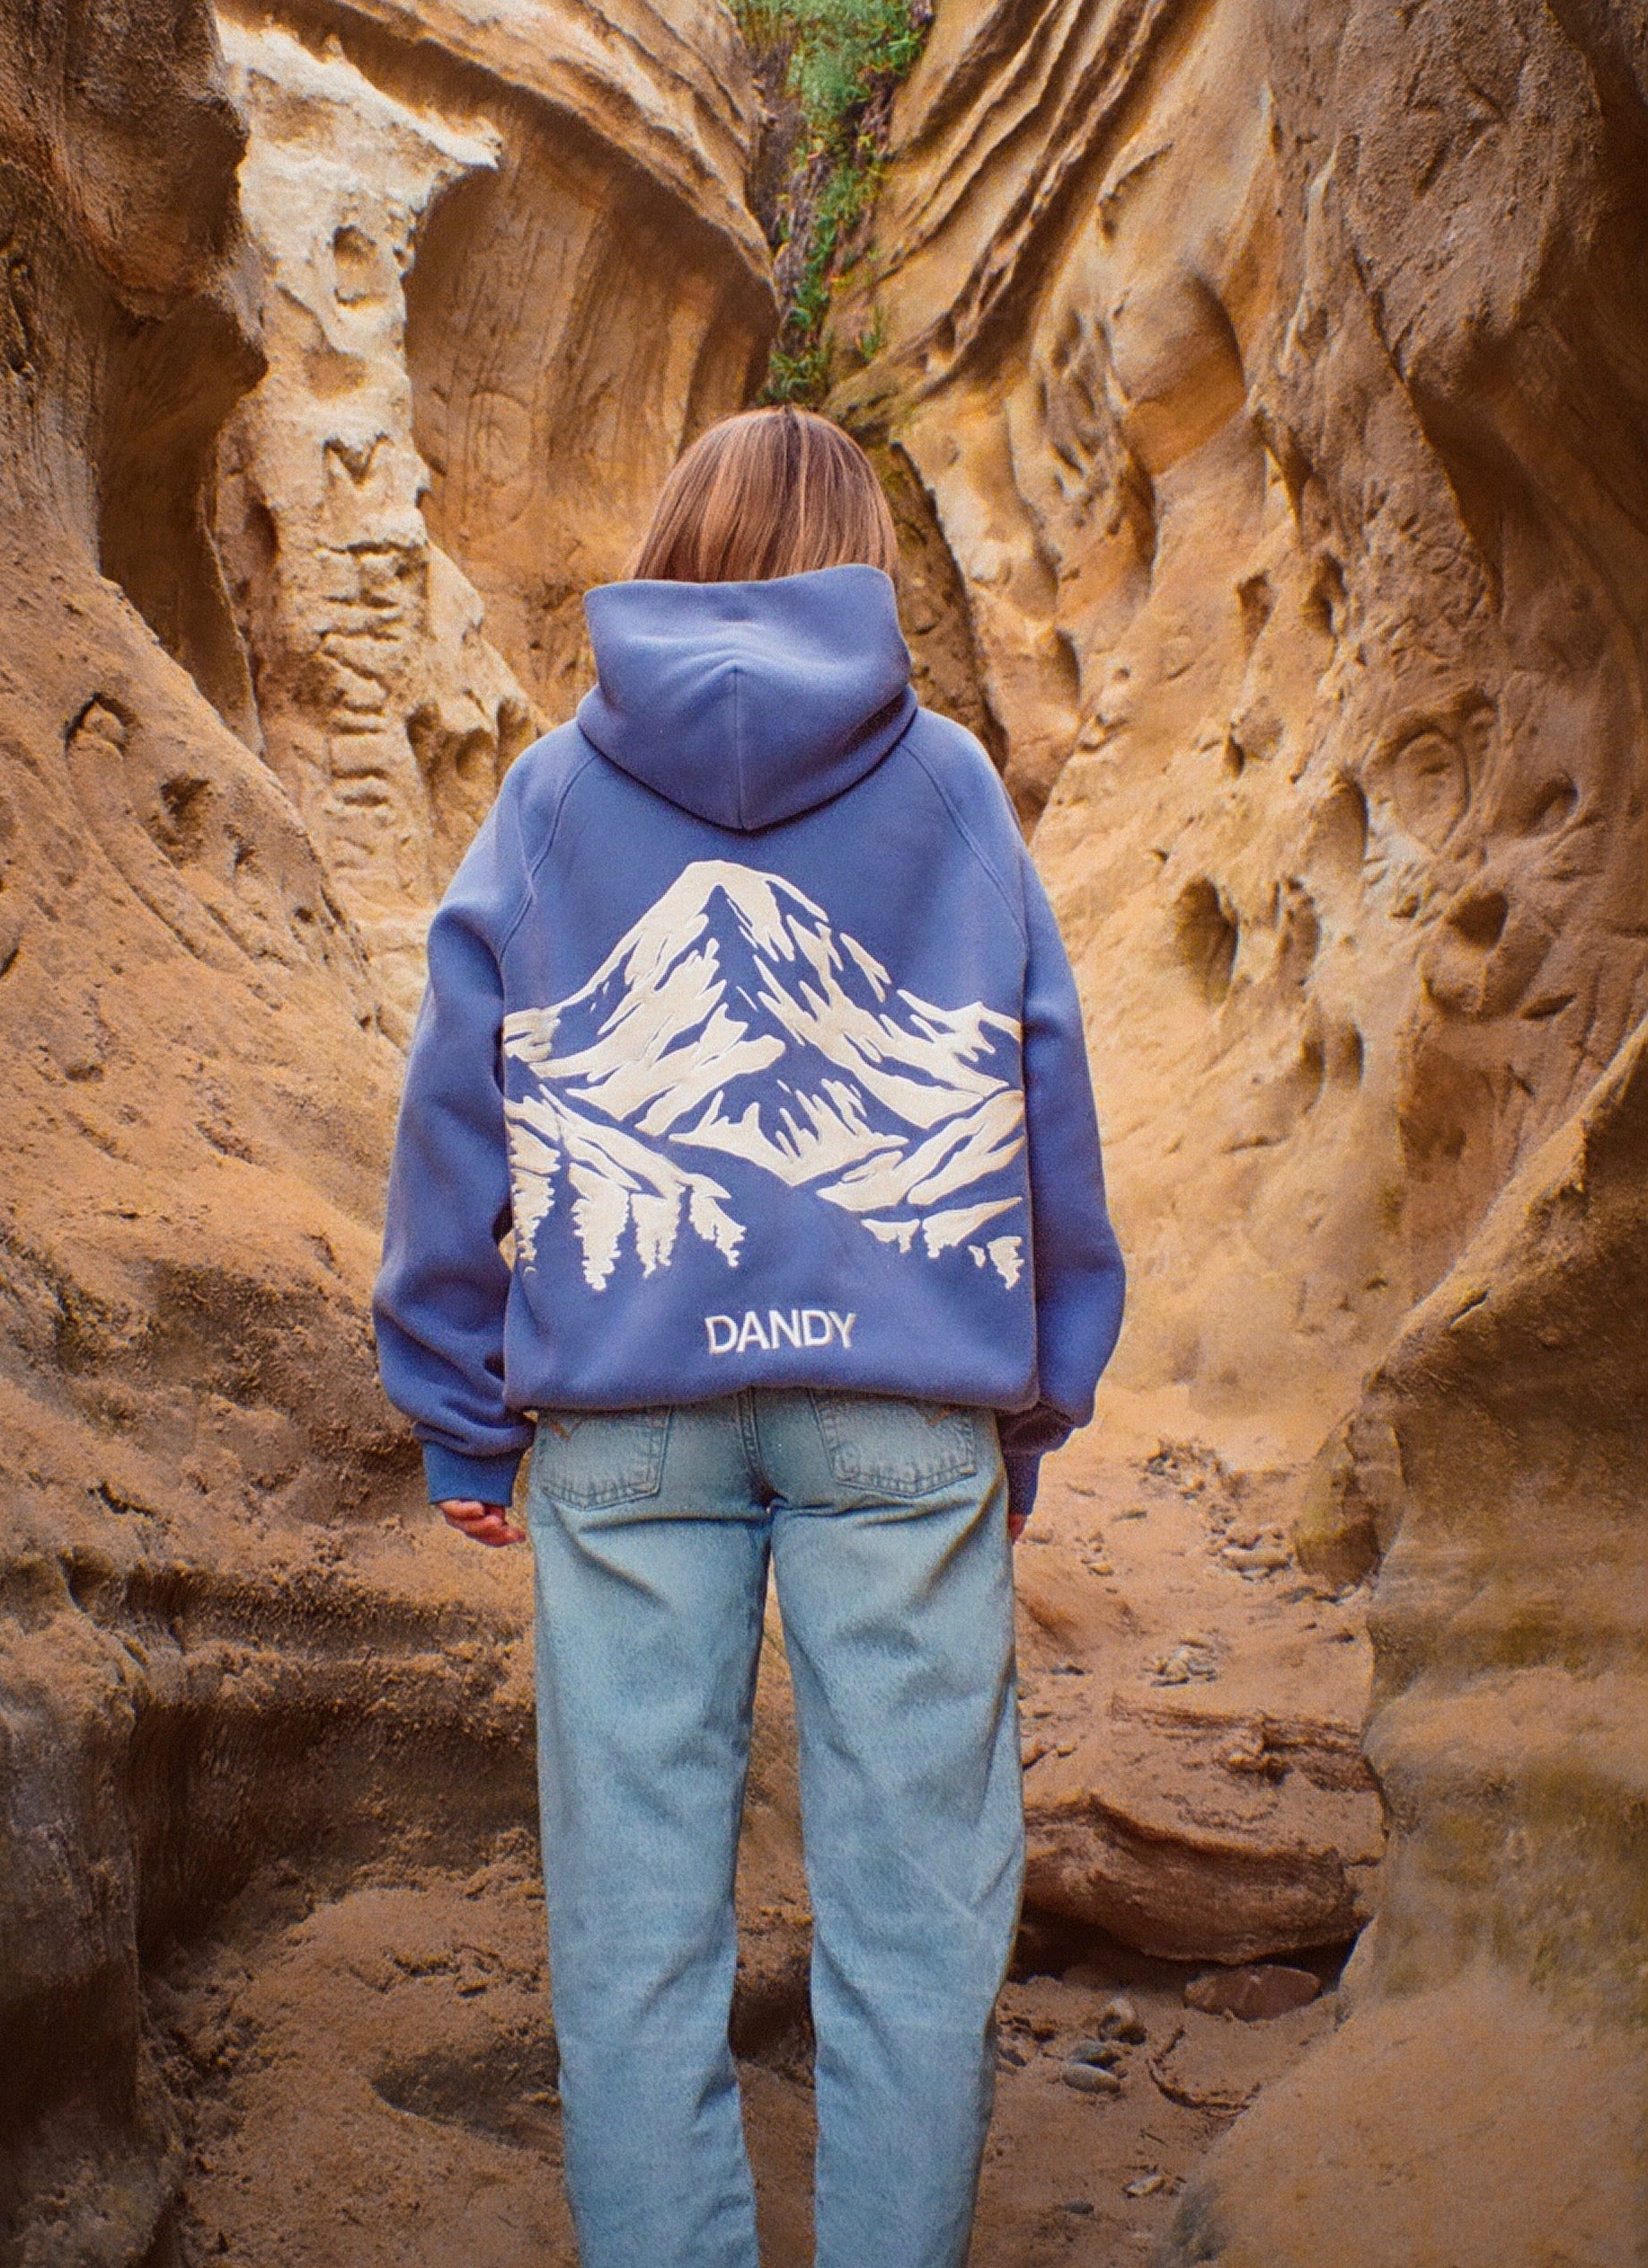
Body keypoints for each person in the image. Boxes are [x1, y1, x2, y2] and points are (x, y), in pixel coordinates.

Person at [374, 405, 1125, 2268]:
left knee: (632, 1936)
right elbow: (1043, 1091)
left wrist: (461, 1411)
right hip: (904, 1414)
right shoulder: (947, 781)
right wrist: (1029, 1407)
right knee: (914, 1925)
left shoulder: (551, 790)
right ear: (858, 559)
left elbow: (453, 1103)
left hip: (622, 1421)